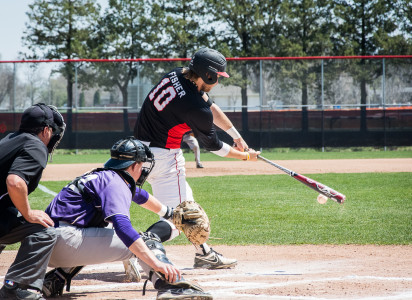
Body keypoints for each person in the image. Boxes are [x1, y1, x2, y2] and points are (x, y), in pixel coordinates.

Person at [134, 47, 261, 269]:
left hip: (136, 154)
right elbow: (214, 146)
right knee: (183, 218)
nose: (218, 81)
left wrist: (237, 137)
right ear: (208, 75)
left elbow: (210, 106)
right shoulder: (195, 108)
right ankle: (141, 248)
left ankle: (204, 253)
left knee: (184, 207)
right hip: (164, 159)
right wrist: (245, 157)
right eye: (218, 77)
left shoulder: (177, 74)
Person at [41, 137, 212, 300]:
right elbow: (123, 228)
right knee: (145, 240)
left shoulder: (104, 175)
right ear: (133, 165)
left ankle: (55, 279)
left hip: (47, 246)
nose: (143, 168)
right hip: (67, 242)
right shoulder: (115, 183)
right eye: (142, 164)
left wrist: (171, 214)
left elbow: (139, 195)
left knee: (101, 230)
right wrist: (155, 263)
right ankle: (172, 286)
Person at [0, 103, 66, 300]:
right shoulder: (36, 145)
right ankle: (14, 289)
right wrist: (28, 213)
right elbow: (14, 182)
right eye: (53, 131)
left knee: (9, 215)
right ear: (46, 130)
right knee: (43, 231)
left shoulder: (10, 139)